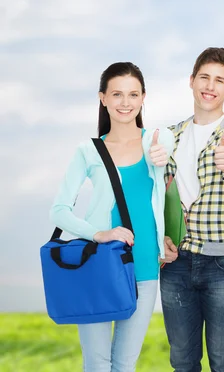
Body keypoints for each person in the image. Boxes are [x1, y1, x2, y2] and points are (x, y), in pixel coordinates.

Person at [50, 62, 175, 372]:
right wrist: (99, 234)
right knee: (97, 363)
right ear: (102, 98)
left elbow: (167, 165)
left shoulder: (157, 141)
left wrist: (165, 239)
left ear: (144, 97)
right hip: (99, 265)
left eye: (133, 94)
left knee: (124, 365)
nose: (125, 103)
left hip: (145, 267)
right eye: (117, 94)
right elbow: (59, 211)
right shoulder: (88, 151)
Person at [160, 47, 224, 372]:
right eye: (205, 77)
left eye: (220, 80)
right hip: (176, 264)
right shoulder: (170, 136)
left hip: (222, 263)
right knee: (183, 361)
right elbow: (157, 195)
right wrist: (161, 238)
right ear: (191, 81)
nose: (210, 86)